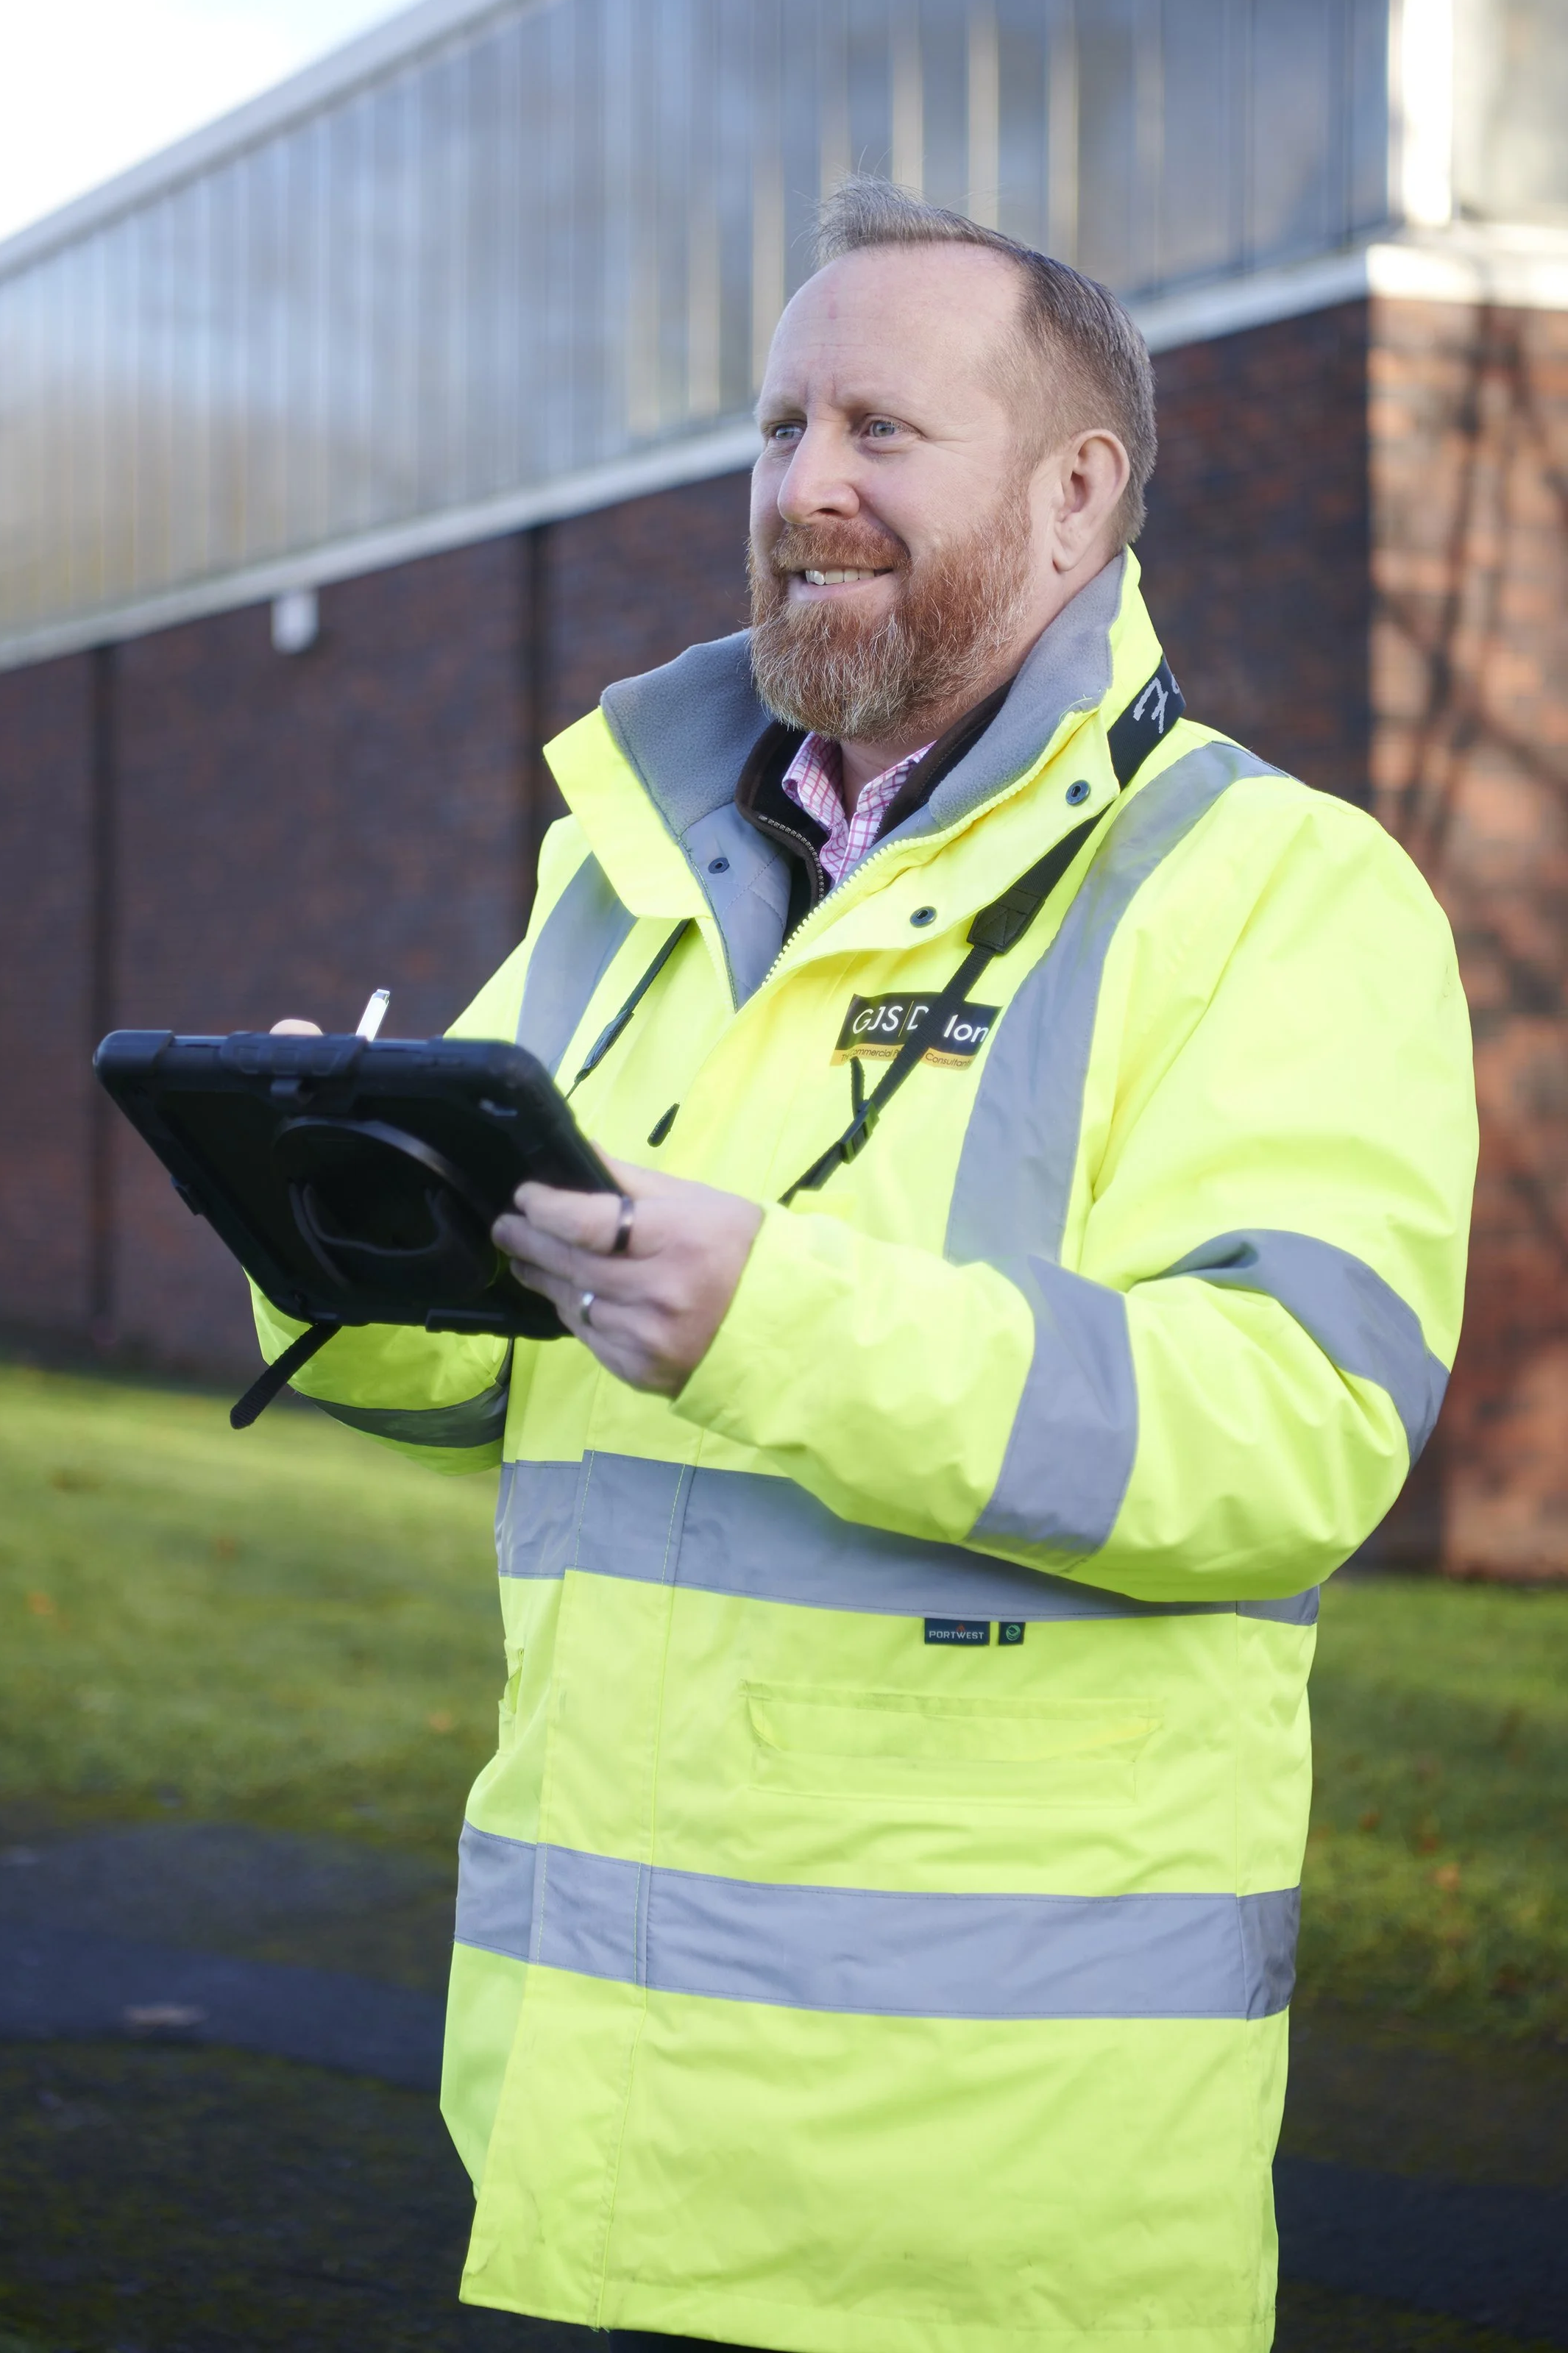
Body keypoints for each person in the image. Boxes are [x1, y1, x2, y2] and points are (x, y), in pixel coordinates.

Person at [261, 177, 1476, 2353]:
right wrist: (325, 1217)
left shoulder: (1283, 890)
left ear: (1077, 492)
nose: (802, 488)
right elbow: (478, 1364)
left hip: (993, 2204)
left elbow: (1295, 1430)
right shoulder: (629, 864)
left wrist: (776, 1321)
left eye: (881, 433)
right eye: (777, 425)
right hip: (585, 2142)